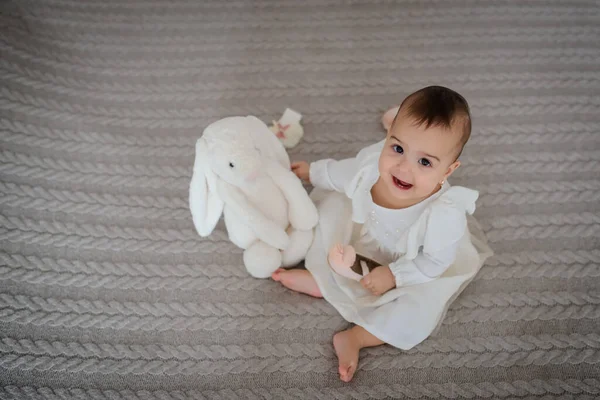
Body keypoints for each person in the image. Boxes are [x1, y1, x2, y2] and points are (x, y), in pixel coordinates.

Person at [272, 86, 492, 382]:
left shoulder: (443, 216)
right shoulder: (372, 168)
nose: (403, 168)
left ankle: (356, 337)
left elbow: (434, 263)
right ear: (387, 141)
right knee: (330, 213)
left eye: (425, 162)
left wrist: (395, 275)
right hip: (365, 235)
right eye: (398, 148)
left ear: (448, 171)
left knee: (418, 312)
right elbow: (344, 173)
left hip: (413, 263)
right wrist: (315, 172)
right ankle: (322, 278)